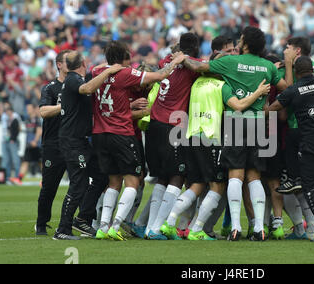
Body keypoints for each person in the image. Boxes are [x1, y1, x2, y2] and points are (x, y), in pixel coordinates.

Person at [176, 26, 288, 241]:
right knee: (254, 177)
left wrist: (183, 58)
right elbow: (286, 88)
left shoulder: (230, 62)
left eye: (241, 39)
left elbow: (199, 67)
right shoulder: (267, 66)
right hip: (258, 123)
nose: (238, 42)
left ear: (245, 44)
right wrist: (271, 104)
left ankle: (235, 226)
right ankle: (258, 228)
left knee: (235, 176)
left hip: (235, 122)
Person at [92, 41, 185, 241]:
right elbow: (160, 75)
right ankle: (116, 225)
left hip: (100, 134)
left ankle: (102, 227)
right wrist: (175, 62)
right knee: (133, 182)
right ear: (123, 60)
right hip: (122, 134)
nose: (131, 62)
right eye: (129, 59)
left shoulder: (96, 73)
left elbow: (98, 68)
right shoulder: (124, 74)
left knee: (113, 182)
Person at [160, 36, 240, 241]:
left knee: (196, 184)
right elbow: (237, 107)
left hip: (191, 136)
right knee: (217, 186)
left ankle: (169, 223)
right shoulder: (222, 86)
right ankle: (197, 229)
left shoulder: (195, 83)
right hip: (210, 137)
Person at [266, 56, 314, 243]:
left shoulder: (293, 90)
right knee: (312, 180)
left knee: (309, 187)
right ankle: (297, 179)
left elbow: (273, 108)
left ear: (297, 73)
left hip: (312, 140)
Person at [52, 51, 124, 240]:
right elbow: (87, 89)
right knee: (78, 184)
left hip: (81, 141)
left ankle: (83, 218)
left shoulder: (76, 78)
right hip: (73, 141)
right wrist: (107, 72)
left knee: (100, 176)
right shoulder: (74, 79)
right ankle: (62, 230)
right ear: (83, 63)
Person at [144, 33, 204, 240]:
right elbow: (202, 67)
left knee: (162, 176)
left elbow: (170, 62)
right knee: (178, 175)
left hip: (155, 123)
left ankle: (150, 227)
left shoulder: (165, 61)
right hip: (173, 125)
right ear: (196, 47)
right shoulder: (193, 64)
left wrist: (178, 56)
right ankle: (156, 229)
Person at [35, 49, 70, 235]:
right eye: (68, 61)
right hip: (52, 144)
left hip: (73, 143)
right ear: (59, 65)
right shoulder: (50, 88)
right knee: (49, 187)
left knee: (82, 185)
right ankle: (41, 224)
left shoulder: (77, 86)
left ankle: (76, 222)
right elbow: (43, 112)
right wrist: (63, 107)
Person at [9, 104, 42, 185]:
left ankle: (45, 180)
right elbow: (24, 130)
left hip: (36, 144)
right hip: (29, 145)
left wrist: (35, 141)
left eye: (29, 108)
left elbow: (39, 130)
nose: (27, 110)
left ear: (33, 109)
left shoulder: (37, 120)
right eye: (27, 108)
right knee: (25, 161)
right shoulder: (27, 120)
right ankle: (19, 179)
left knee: (41, 162)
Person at [0, 103, 21, 184]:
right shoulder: (4, 116)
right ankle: (6, 178)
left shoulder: (16, 116)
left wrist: (14, 138)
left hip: (13, 140)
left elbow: (18, 128)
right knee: (5, 160)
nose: (7, 112)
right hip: (4, 140)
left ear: (11, 110)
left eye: (8, 110)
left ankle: (16, 177)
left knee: (15, 159)